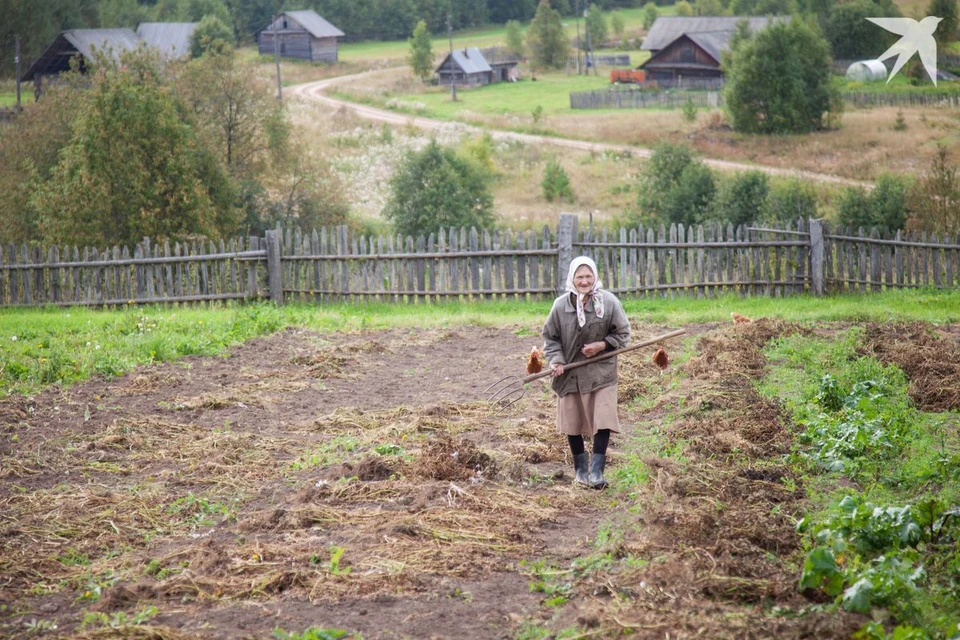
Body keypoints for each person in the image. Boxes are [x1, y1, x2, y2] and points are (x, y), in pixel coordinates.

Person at [542, 256, 631, 489]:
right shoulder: (561, 306)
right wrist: (556, 362)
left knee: (602, 419)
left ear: (595, 277)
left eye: (588, 276)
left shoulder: (609, 302)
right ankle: (580, 471)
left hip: (601, 372)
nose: (584, 281)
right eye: (579, 277)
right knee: (573, 421)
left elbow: (623, 334)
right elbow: (550, 338)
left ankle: (596, 473)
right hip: (569, 373)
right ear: (572, 278)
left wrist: (602, 345)